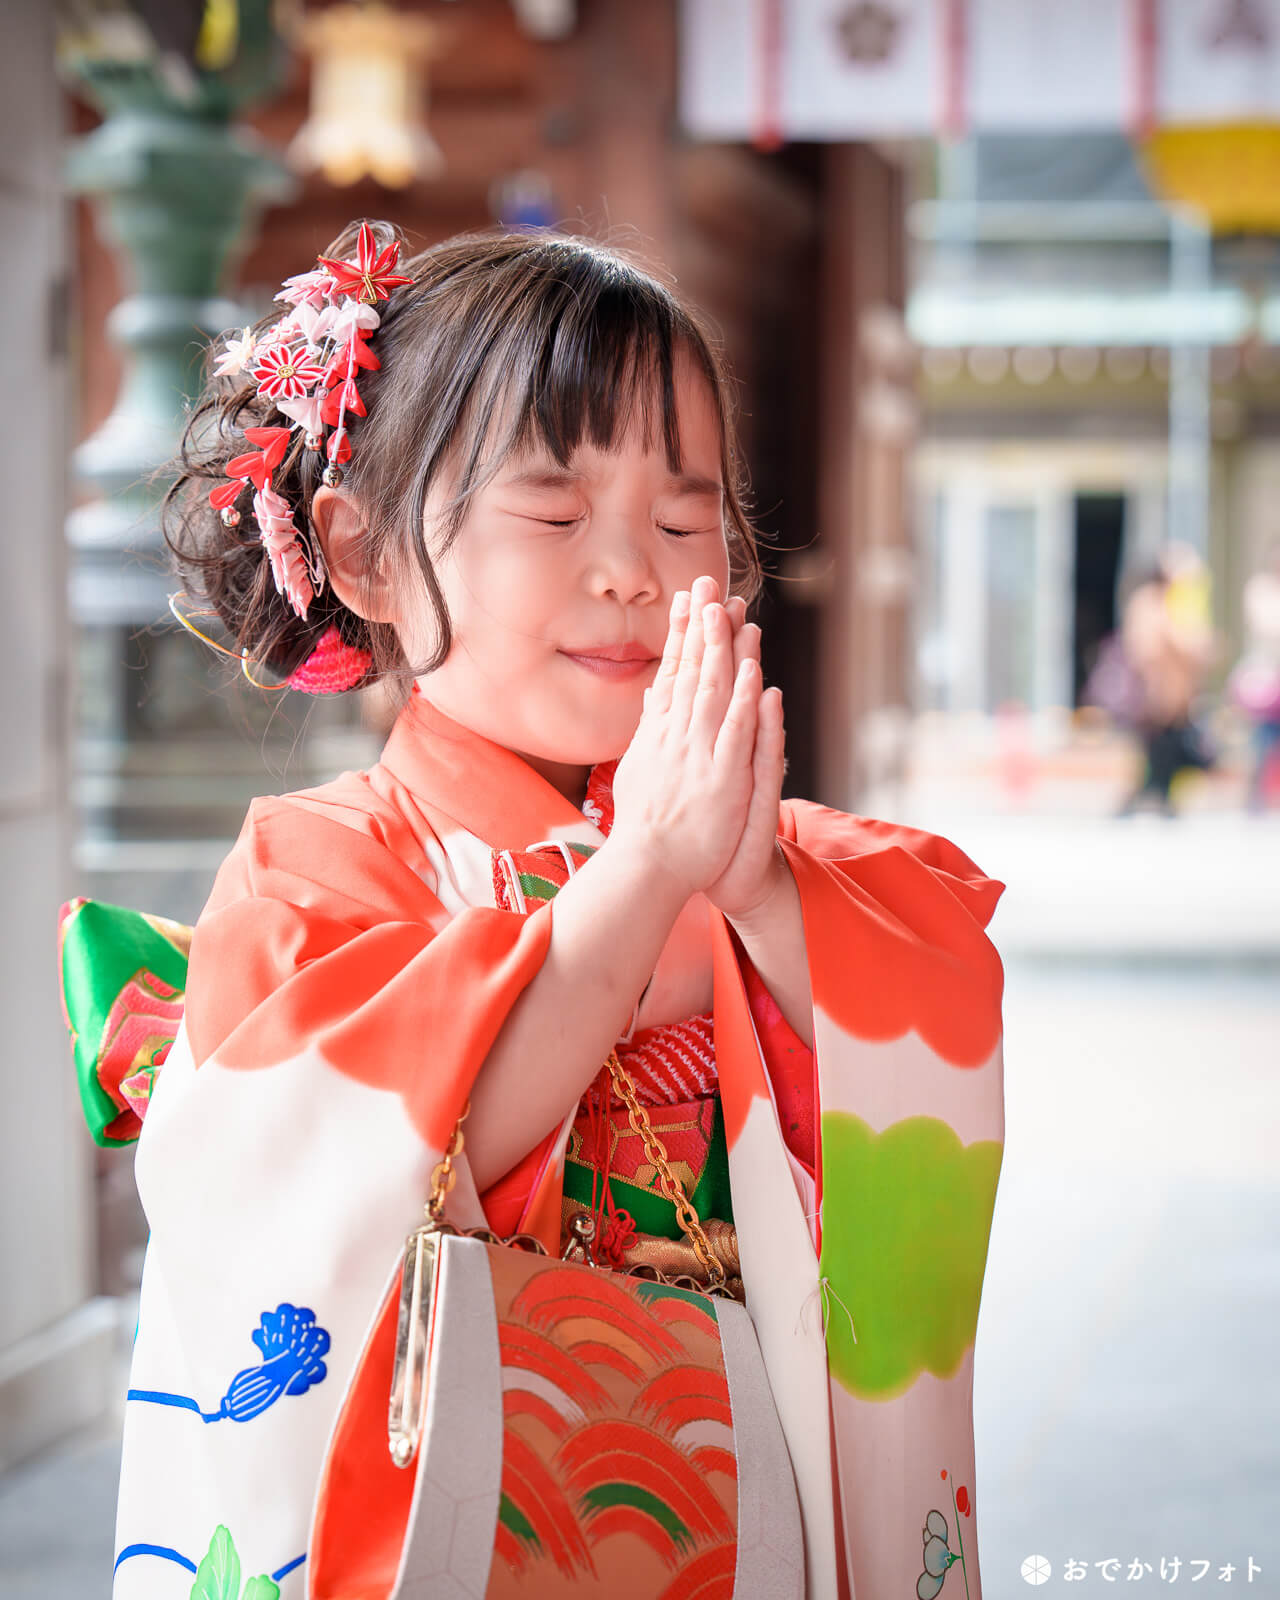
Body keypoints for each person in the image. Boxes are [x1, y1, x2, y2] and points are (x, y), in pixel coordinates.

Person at [115, 221, 1007, 1599]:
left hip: (730, 1509)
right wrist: (650, 882)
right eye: (551, 510)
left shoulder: (744, 853)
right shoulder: (315, 867)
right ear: (363, 559)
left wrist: (751, 889)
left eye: (680, 518)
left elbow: (925, 992)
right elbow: (399, 1152)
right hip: (442, 1521)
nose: (631, 573)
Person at [1115, 542, 1218, 817]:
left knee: (1162, 748)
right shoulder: (1150, 602)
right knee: (1160, 747)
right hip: (1155, 693)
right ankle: (1149, 797)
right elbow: (1157, 646)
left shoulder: (1175, 601)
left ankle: (1158, 797)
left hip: (1173, 695)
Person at [1231, 539, 1280, 813]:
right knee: (1263, 741)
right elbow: (1268, 627)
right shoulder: (1261, 590)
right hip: (1268, 679)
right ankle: (1255, 800)